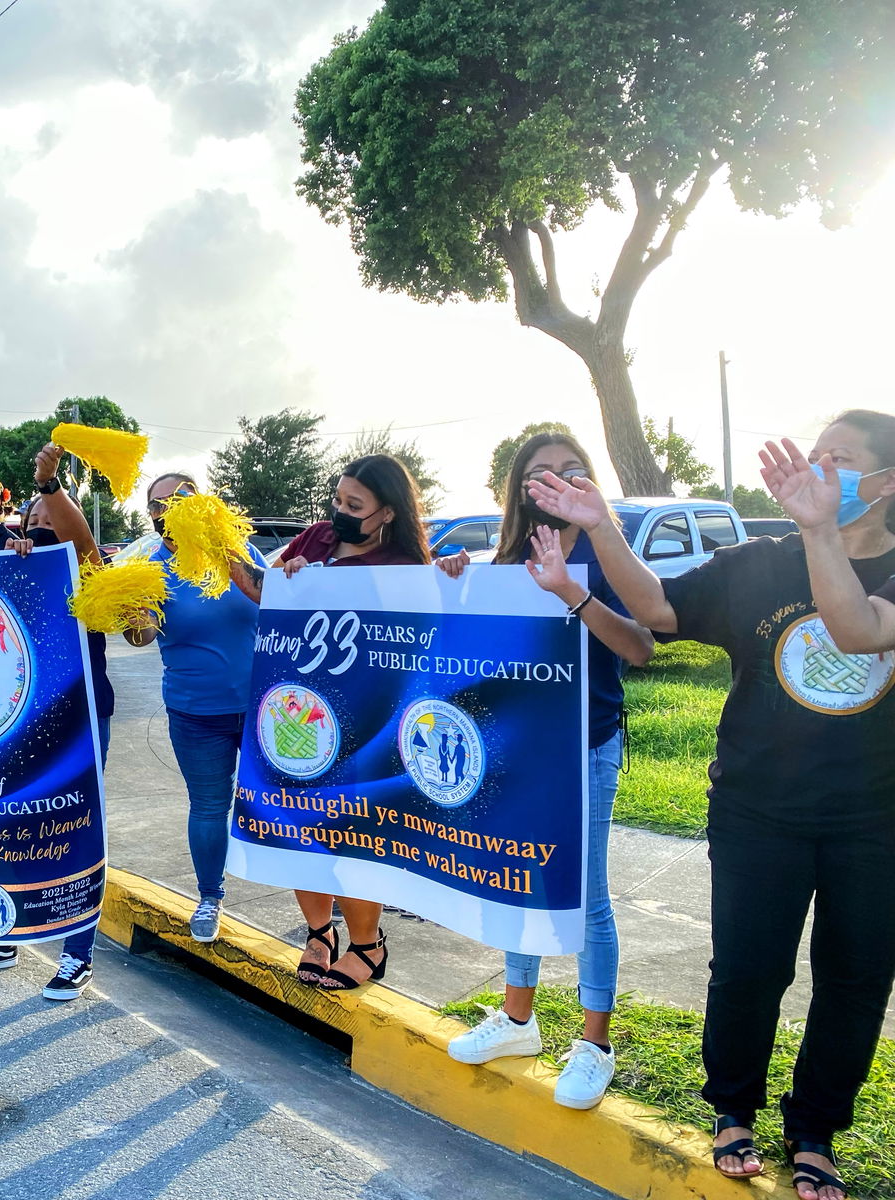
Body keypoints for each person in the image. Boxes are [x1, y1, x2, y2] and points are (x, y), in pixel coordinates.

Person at [526, 412, 895, 1200]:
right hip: (758, 809)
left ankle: (816, 1130)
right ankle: (732, 1110)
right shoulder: (757, 564)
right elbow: (659, 611)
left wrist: (821, 533)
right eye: (816, 452)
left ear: (887, 483)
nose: (820, 469)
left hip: (876, 818)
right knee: (749, 970)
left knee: (856, 977)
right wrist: (606, 531)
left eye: (844, 460)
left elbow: (860, 632)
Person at [434, 433, 652, 1112]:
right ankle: (518, 1021)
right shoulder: (505, 559)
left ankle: (594, 1045)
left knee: (586, 895)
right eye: (538, 474)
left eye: (571, 470)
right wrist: (453, 583)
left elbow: (641, 647)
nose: (555, 483)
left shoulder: (603, 547)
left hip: (584, 744)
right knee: (516, 879)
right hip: (517, 749)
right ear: (518, 490)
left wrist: (573, 595)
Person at [230, 456, 441, 992]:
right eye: (338, 500)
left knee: (353, 833)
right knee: (299, 827)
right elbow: (266, 594)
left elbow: (433, 631)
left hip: (365, 721)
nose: (339, 513)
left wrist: (455, 577)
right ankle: (319, 933)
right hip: (298, 706)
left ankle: (368, 944)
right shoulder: (317, 538)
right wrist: (286, 577)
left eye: (355, 506)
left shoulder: (405, 566)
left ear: (387, 513)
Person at [0, 444, 117, 999]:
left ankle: (77, 955)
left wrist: (48, 485)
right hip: (16, 721)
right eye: (29, 520)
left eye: (46, 519)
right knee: (8, 827)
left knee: (76, 831)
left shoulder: (88, 572)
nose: (35, 528)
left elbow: (80, 542)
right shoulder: (13, 570)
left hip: (80, 716)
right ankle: (4, 933)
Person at [123, 472, 269, 944]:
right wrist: (131, 614)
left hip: (267, 709)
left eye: (180, 498)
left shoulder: (240, 552)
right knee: (209, 807)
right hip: (195, 712)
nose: (168, 509)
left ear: (201, 502)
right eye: (157, 503)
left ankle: (317, 915)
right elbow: (140, 637)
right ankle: (210, 897)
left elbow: (279, 602)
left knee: (290, 807)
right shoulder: (149, 569)